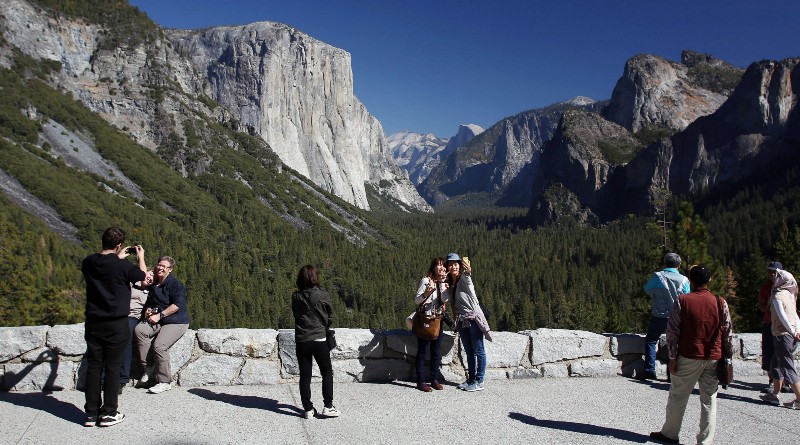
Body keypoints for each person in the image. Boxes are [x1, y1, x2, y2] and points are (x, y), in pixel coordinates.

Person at [649, 265, 733, 445]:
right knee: (709, 399)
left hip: (688, 355)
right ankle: (705, 441)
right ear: (709, 281)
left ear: (691, 281)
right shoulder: (720, 302)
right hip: (713, 356)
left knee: (678, 396)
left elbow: (672, 332)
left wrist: (672, 358)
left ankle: (670, 434)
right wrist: (727, 357)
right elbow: (727, 332)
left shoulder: (683, 301)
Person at [81, 227, 146, 427]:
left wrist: (117, 256)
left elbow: (106, 268)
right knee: (113, 367)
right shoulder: (123, 267)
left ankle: (91, 413)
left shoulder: (88, 262)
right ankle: (109, 412)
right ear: (118, 245)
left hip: (93, 322)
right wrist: (140, 257)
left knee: (93, 366)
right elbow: (142, 277)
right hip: (116, 323)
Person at [134, 256, 189, 394]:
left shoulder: (174, 284)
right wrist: (148, 310)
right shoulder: (155, 285)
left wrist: (160, 315)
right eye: (159, 265)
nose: (160, 268)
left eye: (164, 266)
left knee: (159, 345)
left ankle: (165, 381)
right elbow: (151, 302)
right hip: (159, 320)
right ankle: (149, 366)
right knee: (140, 330)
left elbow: (177, 305)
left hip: (176, 321)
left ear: (169, 270)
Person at [292, 265, 339, 419]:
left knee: (305, 376)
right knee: (326, 372)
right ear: (314, 277)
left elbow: (296, 315)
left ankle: (308, 409)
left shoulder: (296, 297)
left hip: (302, 340)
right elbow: (330, 316)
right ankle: (328, 406)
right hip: (319, 338)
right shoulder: (322, 295)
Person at [443, 253, 491, 392]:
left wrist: (468, 270)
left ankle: (479, 380)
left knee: (478, 350)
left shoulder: (464, 278)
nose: (453, 267)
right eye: (450, 265)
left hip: (473, 318)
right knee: (469, 351)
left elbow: (468, 274)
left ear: (460, 265)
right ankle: (471, 379)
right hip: (462, 320)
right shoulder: (450, 284)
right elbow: (453, 304)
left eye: (456, 264)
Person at [641, 253, 690, 380]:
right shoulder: (684, 280)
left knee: (651, 340)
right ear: (679, 265)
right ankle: (671, 374)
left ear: (665, 263)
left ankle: (649, 371)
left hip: (659, 315)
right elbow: (688, 297)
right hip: (677, 317)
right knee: (674, 344)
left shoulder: (658, 276)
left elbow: (647, 289)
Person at [759, 268, 800, 409]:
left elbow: (782, 317)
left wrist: (792, 332)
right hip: (791, 335)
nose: (773, 277)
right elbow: (795, 317)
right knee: (775, 364)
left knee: (788, 368)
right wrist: (797, 332)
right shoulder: (790, 295)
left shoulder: (777, 295)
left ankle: (799, 399)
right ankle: (774, 395)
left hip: (782, 335)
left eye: (777, 276)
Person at [413, 257, 449, 392]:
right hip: (426, 320)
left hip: (438, 320)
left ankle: (434, 379)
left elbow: (445, 299)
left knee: (436, 351)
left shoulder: (443, 283)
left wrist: (442, 283)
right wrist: (426, 293)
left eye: (443, 267)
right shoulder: (425, 281)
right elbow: (417, 300)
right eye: (439, 266)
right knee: (422, 351)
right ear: (433, 267)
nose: (441, 268)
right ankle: (421, 381)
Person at [119, 268, 153, 394]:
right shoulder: (131, 283)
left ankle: (122, 379)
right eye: (150, 274)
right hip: (119, 314)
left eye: (153, 278)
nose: (150, 278)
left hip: (133, 317)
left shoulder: (150, 292)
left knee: (126, 340)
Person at [757, 261, 782, 392]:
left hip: (782, 325)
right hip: (769, 323)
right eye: (770, 272)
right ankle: (772, 381)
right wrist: (767, 306)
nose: (772, 275)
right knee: (769, 353)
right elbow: (761, 307)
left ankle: (783, 381)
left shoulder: (786, 287)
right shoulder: (765, 288)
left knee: (782, 353)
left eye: (774, 272)